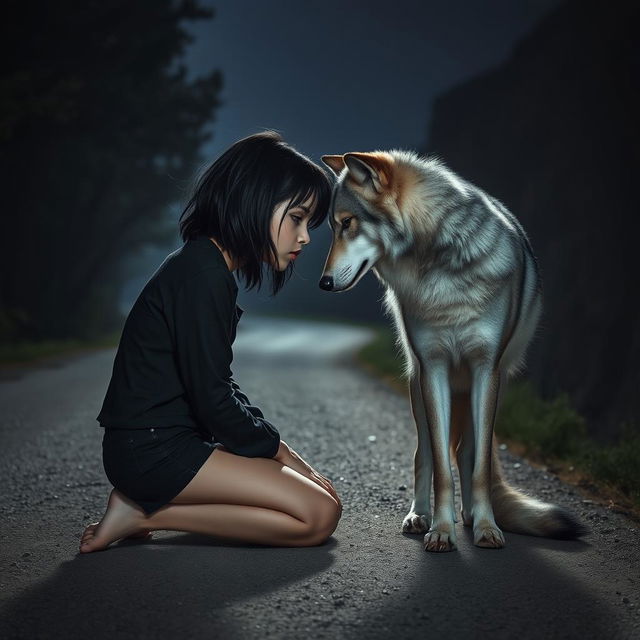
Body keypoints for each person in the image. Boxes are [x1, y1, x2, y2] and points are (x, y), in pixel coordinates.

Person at [79, 131, 341, 553]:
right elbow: (213, 397)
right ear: (253, 201)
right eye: (296, 218)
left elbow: (216, 380)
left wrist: (278, 450)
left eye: (309, 223)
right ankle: (144, 513)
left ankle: (144, 511)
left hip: (168, 444)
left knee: (324, 504)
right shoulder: (202, 274)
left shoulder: (207, 267)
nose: (306, 236)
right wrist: (280, 453)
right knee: (318, 516)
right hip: (150, 451)